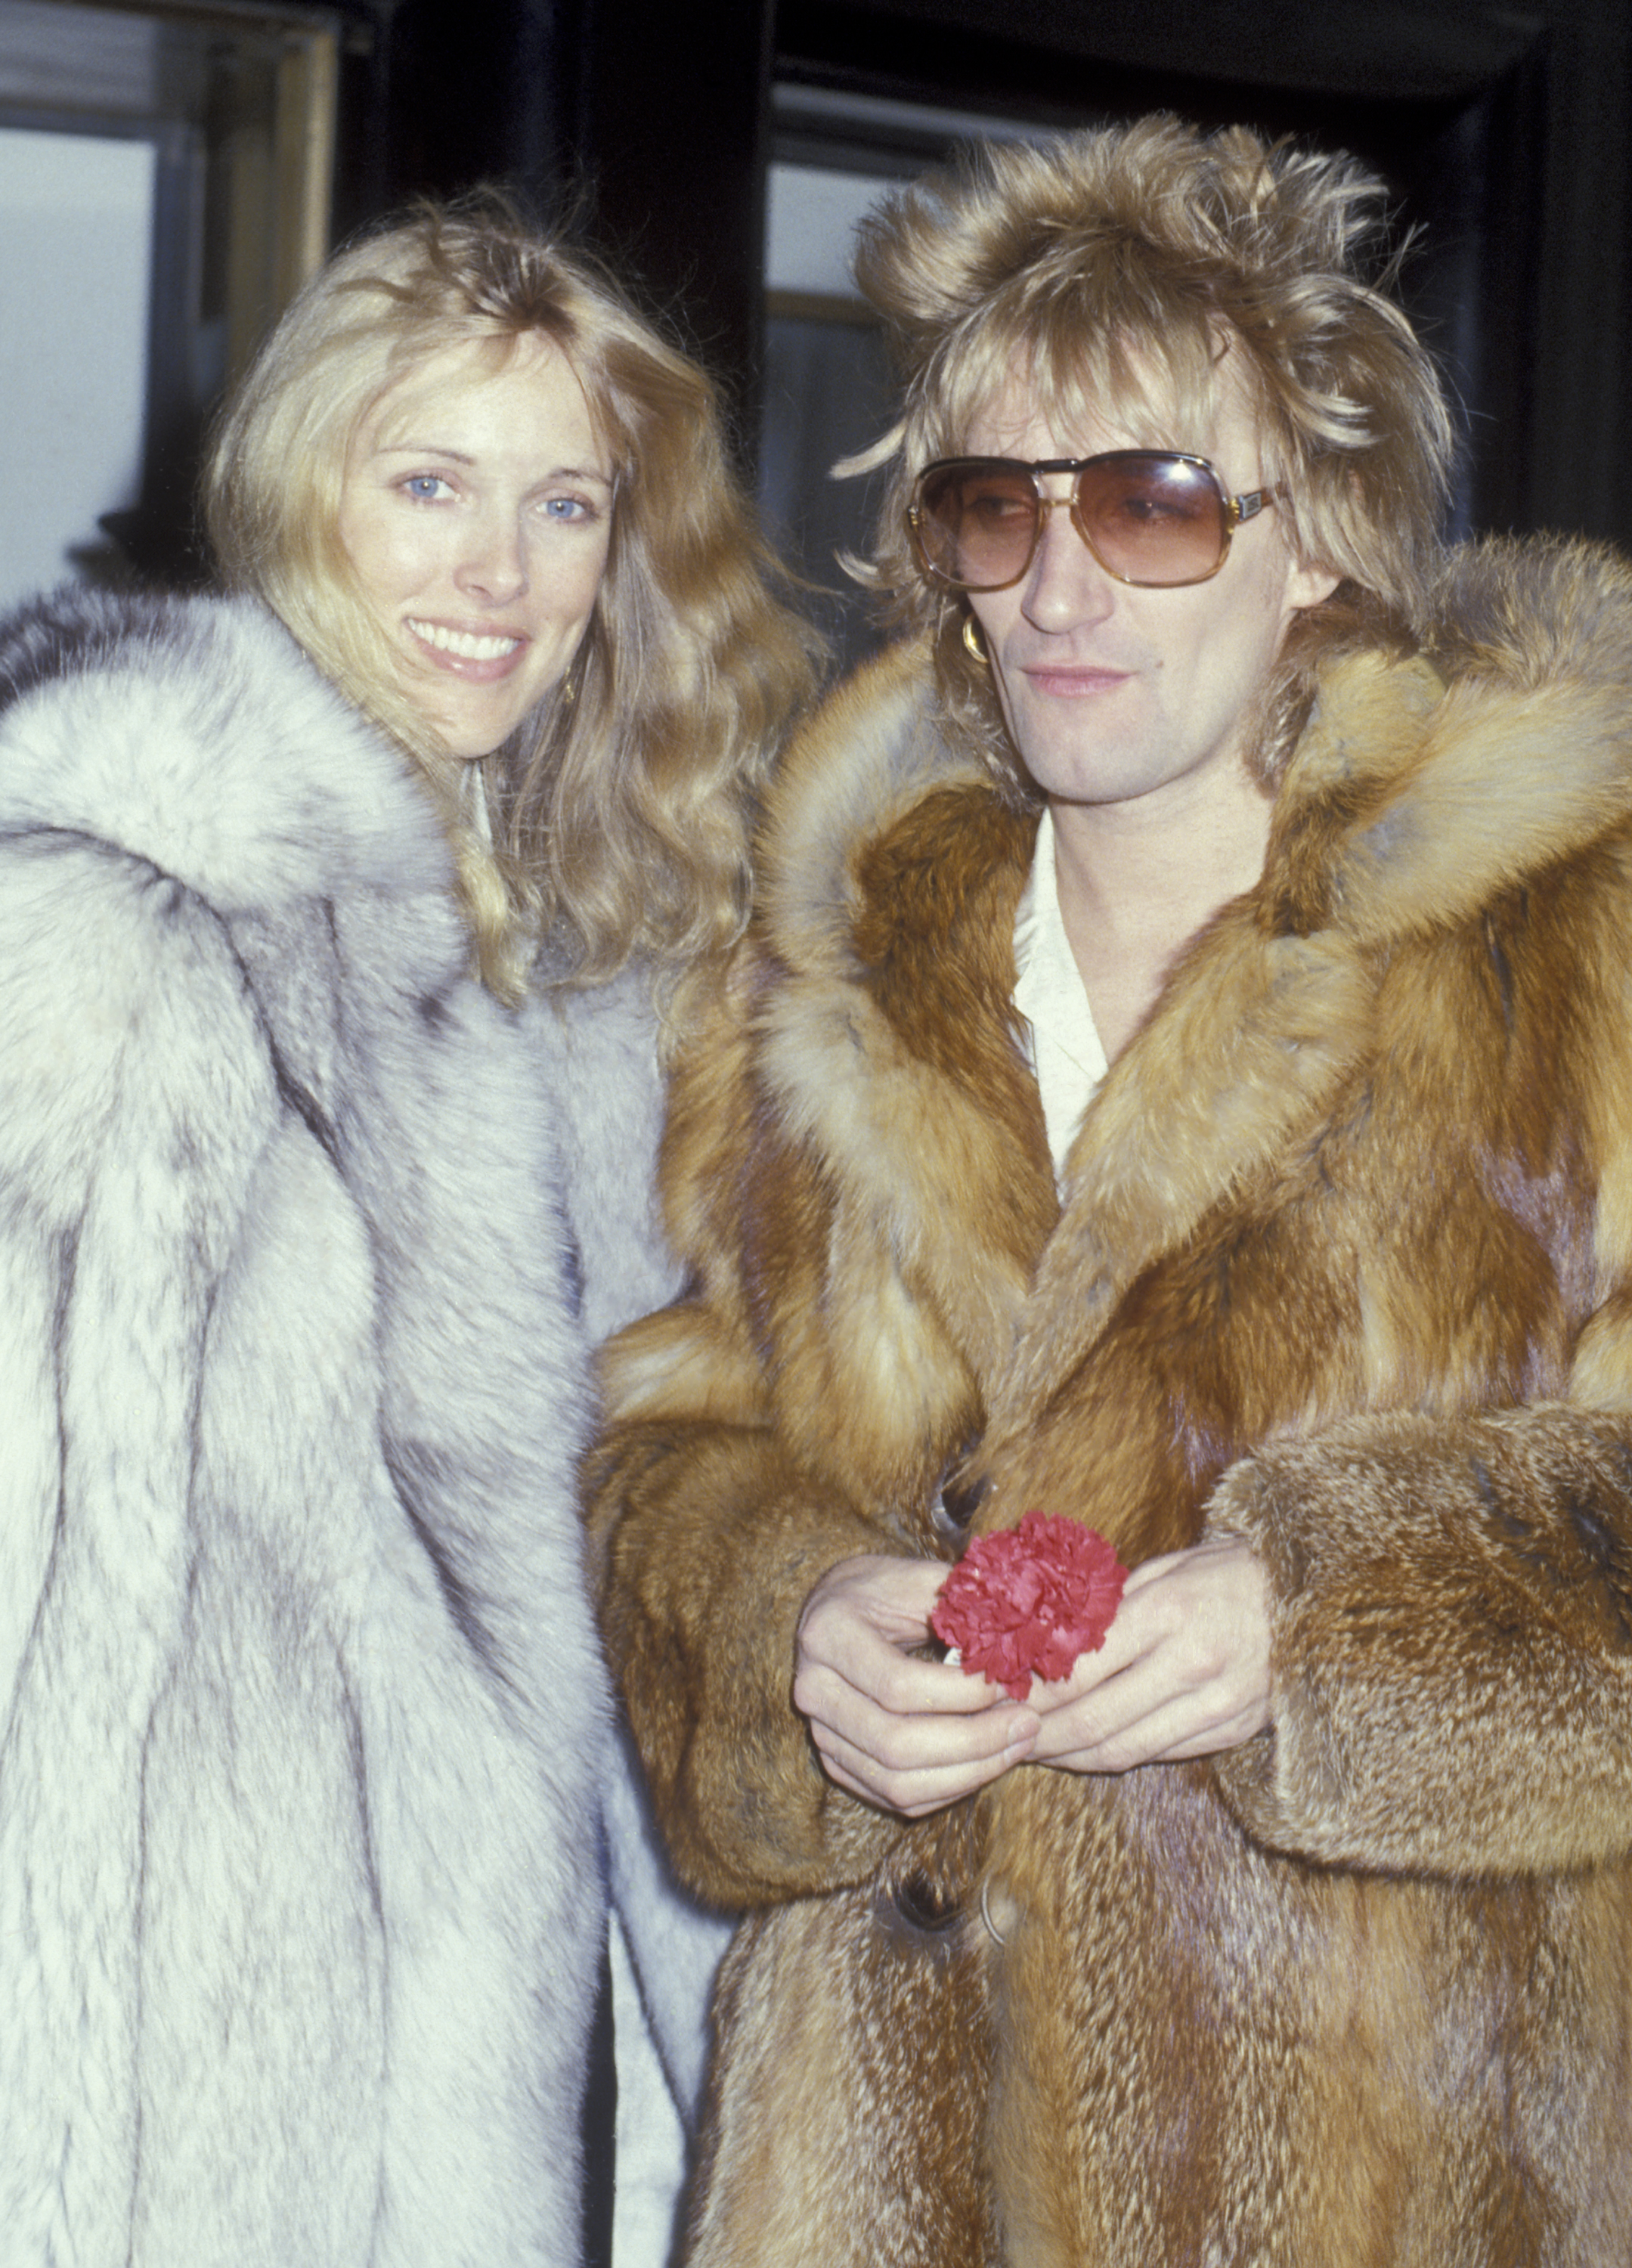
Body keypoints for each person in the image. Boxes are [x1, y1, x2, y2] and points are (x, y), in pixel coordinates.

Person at [588, 116, 1632, 2266]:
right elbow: (672, 1448)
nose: (1061, 587)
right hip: (877, 2176)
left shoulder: (1568, 949)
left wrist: (1330, 1629)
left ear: (1314, 539)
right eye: (998, 504)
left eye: (1155, 503)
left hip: (1412, 2179)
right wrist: (796, 1630)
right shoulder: (814, 979)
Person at [0, 197, 807, 2267]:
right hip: (217, 2129)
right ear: (299, 489)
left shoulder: (586, 977)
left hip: (526, 2097)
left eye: (562, 503)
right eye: (428, 483)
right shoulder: (112, 919)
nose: (497, 575)